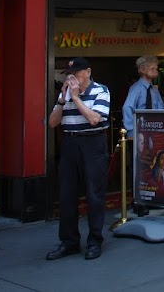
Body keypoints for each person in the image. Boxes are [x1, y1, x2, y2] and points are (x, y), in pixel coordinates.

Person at [46, 57, 110, 260]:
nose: (74, 78)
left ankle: (95, 241)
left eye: (78, 74)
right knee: (66, 195)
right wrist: (62, 99)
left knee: (94, 194)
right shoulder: (65, 93)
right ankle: (69, 241)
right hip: (70, 144)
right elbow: (52, 123)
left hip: (93, 144)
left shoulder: (101, 91)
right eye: (71, 75)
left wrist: (76, 98)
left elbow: (94, 119)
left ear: (88, 72)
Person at [123, 55, 164, 216]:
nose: (155, 70)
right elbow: (128, 108)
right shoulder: (136, 89)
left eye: (156, 68)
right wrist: (131, 131)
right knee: (138, 168)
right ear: (142, 70)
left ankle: (150, 198)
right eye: (151, 68)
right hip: (139, 135)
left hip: (152, 135)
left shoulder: (154, 90)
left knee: (149, 165)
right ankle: (138, 201)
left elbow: (160, 108)